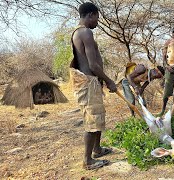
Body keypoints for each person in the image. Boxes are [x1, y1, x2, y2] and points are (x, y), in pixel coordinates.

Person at [69, 2, 117, 170]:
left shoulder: (79, 32)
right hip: (88, 83)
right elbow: (93, 64)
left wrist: (101, 80)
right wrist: (109, 80)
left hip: (91, 82)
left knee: (97, 117)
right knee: (92, 120)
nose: (97, 21)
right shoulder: (85, 32)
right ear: (90, 15)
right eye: (97, 17)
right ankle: (87, 161)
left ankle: (97, 149)